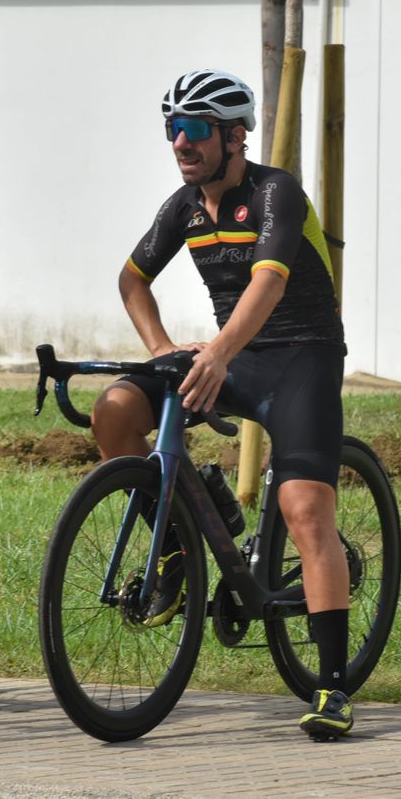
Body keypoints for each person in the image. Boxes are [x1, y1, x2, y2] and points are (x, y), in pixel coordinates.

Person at [91, 69, 354, 740]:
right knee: (116, 410)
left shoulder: (275, 192)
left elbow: (268, 283)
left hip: (301, 356)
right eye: (172, 127)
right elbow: (132, 279)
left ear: (235, 136)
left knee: (304, 510)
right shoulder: (184, 206)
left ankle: (332, 686)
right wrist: (162, 350)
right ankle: (180, 541)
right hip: (230, 353)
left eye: (195, 128)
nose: (180, 142)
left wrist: (216, 353)